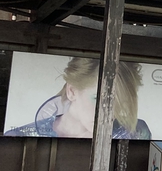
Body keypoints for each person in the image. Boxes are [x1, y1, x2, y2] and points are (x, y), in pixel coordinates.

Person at [5, 57, 151, 139]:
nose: (109, 113)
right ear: (72, 91)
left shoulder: (137, 132)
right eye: (98, 99)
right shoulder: (19, 137)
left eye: (119, 103)